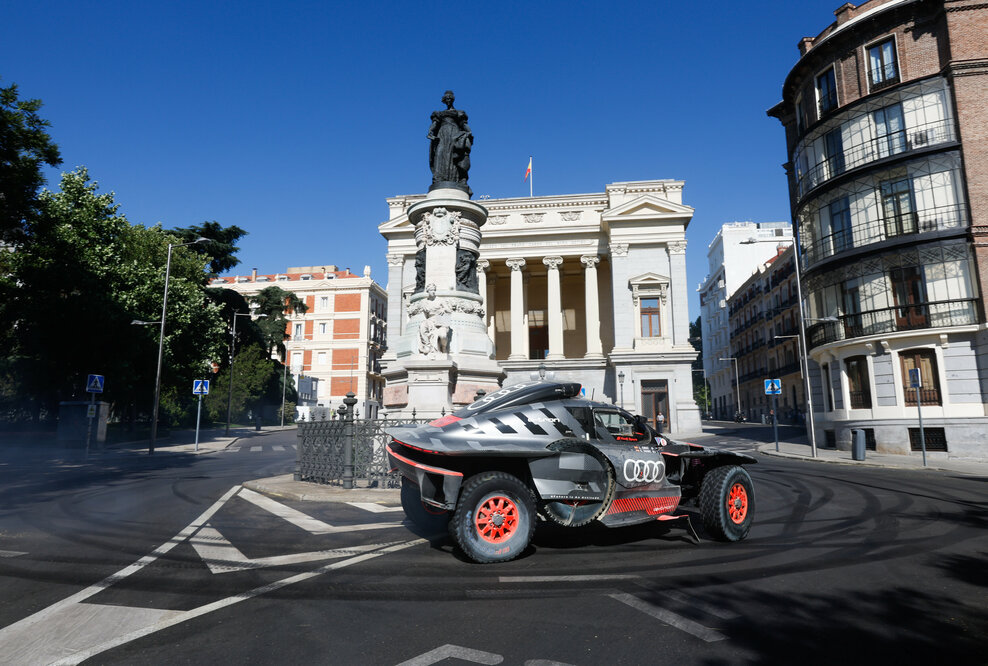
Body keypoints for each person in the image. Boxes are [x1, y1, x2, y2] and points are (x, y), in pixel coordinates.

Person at [427, 91, 473, 190]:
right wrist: (430, 132)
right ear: (444, 100)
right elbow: (434, 124)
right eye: (446, 99)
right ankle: (439, 179)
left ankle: (455, 179)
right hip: (442, 136)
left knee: (453, 157)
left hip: (454, 135)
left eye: (450, 98)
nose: (448, 100)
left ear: (452, 99)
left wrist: (469, 132)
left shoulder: (458, 113)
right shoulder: (439, 113)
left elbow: (464, 125)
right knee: (439, 154)